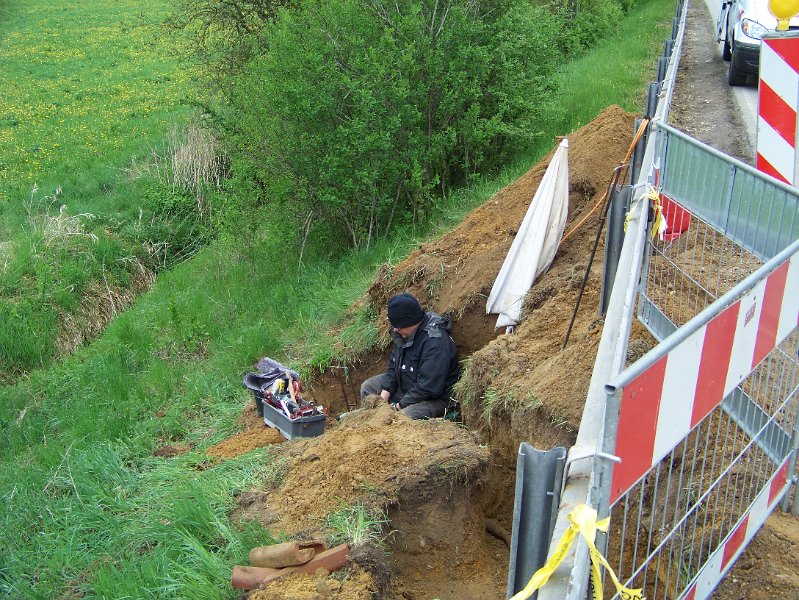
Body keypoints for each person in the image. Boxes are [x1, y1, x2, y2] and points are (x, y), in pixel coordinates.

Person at [360, 292, 461, 419]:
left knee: (403, 417)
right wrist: (385, 393)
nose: (395, 329)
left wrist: (397, 407)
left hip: (435, 399)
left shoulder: (435, 343)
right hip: (407, 385)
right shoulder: (403, 334)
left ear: (409, 322)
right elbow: (394, 364)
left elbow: (428, 387)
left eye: (397, 326)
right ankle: (370, 424)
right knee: (368, 387)